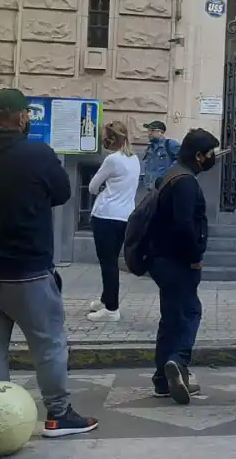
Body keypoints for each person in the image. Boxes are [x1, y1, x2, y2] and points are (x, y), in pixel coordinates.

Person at [0, 87, 97, 438]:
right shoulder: (37, 153)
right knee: (48, 344)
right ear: (20, 117)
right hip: (26, 268)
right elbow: (62, 193)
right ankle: (58, 414)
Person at [145, 128, 218, 404]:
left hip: (161, 259)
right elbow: (184, 225)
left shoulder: (172, 175)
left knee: (172, 317)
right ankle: (178, 361)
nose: (212, 158)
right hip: (177, 261)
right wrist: (194, 255)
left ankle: (162, 380)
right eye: (210, 154)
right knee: (190, 312)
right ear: (199, 156)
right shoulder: (186, 182)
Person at [87, 121, 141, 322]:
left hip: (106, 215)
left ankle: (111, 309)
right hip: (125, 216)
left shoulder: (112, 160)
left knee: (107, 263)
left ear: (110, 138)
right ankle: (106, 298)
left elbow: (92, 187)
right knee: (111, 260)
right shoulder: (134, 158)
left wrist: (105, 190)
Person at [142, 120, 180, 189]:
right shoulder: (150, 148)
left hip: (165, 187)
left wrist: (167, 176)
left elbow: (181, 160)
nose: (149, 133)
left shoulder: (170, 144)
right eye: (148, 131)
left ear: (161, 132)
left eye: (152, 130)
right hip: (151, 187)